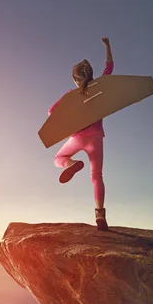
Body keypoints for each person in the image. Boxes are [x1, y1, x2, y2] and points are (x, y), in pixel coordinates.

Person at [47, 37, 114, 231]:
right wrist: (108, 47)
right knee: (97, 176)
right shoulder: (101, 86)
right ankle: (100, 216)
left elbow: (51, 111)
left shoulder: (70, 95)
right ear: (92, 75)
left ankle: (71, 164)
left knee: (59, 157)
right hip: (96, 138)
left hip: (76, 138)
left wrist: (71, 120)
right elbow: (109, 68)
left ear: (75, 79)